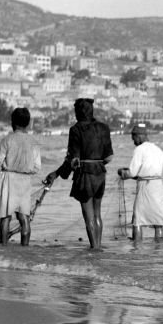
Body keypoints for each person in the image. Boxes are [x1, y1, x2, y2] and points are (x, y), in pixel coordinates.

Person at [45, 98, 114, 249]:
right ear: (92, 111)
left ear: (78, 112)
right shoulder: (104, 128)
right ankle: (98, 246)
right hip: (101, 174)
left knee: (88, 215)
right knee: (97, 214)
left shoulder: (76, 130)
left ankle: (94, 248)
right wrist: (96, 162)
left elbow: (73, 160)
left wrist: (56, 174)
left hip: (85, 175)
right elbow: (109, 157)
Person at [0, 107, 41, 246]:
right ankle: (25, 249)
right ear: (28, 123)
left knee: (5, 217)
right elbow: (37, 167)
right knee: (24, 217)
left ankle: (4, 249)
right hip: (25, 181)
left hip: (9, 180)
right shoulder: (33, 142)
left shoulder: (7, 140)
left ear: (12, 123)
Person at [117, 123, 163, 241]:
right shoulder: (159, 150)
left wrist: (122, 172)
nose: (133, 142)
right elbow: (148, 171)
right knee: (158, 219)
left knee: (138, 219)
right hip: (158, 185)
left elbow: (133, 173)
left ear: (139, 136)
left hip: (145, 187)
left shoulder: (139, 149)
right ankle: (159, 246)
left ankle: (137, 246)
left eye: (133, 138)